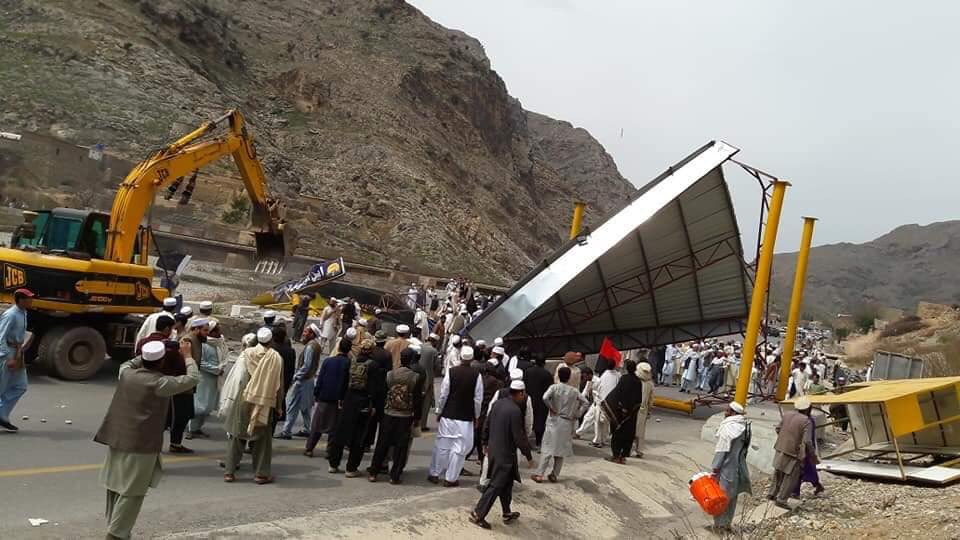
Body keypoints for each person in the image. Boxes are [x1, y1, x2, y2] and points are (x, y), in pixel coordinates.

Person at [95, 340, 200, 540]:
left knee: (115, 486)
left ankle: (116, 527)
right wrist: (187, 355)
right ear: (161, 363)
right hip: (141, 444)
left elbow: (130, 363)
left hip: (117, 438)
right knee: (133, 492)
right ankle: (116, 534)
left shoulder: (126, 374)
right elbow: (193, 378)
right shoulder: (159, 383)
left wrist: (152, 350)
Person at [221, 328, 284, 484]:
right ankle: (261, 474)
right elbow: (278, 385)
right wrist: (278, 406)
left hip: (244, 398)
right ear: (271, 341)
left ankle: (229, 472)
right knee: (262, 440)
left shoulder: (247, 354)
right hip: (264, 402)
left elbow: (239, 377)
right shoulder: (275, 358)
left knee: (237, 435)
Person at [468, 380, 534, 530]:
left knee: (507, 484)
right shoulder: (515, 411)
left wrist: (484, 442)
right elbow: (519, 437)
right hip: (505, 455)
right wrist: (528, 456)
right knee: (496, 485)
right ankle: (478, 514)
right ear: (521, 393)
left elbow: (487, 422)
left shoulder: (498, 404)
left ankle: (507, 512)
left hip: (494, 450)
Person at [368, 347, 424, 484]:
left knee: (382, 444)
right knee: (401, 447)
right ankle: (395, 475)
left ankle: (374, 472)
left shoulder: (390, 375)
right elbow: (417, 399)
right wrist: (417, 418)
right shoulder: (415, 377)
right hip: (405, 416)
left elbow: (384, 394)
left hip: (389, 413)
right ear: (411, 360)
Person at [429, 346, 482, 487]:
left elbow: (444, 394)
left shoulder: (451, 372)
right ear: (471, 359)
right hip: (465, 418)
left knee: (442, 445)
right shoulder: (477, 375)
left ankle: (434, 473)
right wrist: (477, 417)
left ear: (460, 358)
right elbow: (478, 399)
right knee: (459, 449)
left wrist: (439, 411)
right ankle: (450, 478)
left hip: (448, 415)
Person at [327, 339, 377, 476]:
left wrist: (341, 399)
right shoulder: (373, 365)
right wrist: (373, 405)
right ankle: (351, 468)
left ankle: (333, 464)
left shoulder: (351, 361)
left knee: (340, 433)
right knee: (358, 437)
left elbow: (343, 382)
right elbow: (373, 388)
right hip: (363, 402)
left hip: (348, 400)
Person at [532, 366, 589, 483]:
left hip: (554, 420)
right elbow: (586, 402)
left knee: (547, 448)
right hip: (567, 422)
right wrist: (577, 413)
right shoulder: (574, 391)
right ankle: (554, 474)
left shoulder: (554, 387)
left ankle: (539, 474)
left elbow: (545, 397)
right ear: (569, 377)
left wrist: (551, 408)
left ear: (558, 375)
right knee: (560, 450)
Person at [304, 338, 352, 457]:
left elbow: (320, 379)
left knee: (317, 424)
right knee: (334, 427)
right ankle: (330, 451)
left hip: (324, 397)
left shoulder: (328, 361)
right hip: (339, 400)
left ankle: (309, 448)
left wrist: (316, 393)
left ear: (339, 347)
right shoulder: (349, 363)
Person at [711, 401, 752, 533]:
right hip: (738, 466)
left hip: (726, 468)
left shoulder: (729, 427)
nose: (725, 412)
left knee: (721, 497)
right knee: (732, 496)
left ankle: (719, 525)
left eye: (727, 410)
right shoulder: (744, 426)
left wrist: (716, 467)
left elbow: (722, 450)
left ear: (733, 413)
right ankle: (727, 522)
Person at [768, 396, 816, 509]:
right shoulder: (806, 421)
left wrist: (784, 438)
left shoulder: (787, 414)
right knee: (790, 477)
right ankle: (782, 499)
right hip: (794, 452)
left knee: (778, 472)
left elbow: (778, 429)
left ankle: (772, 494)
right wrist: (812, 455)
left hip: (780, 447)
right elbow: (807, 441)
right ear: (808, 408)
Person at [278, 324, 322, 439]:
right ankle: (307, 429)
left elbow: (306, 366)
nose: (304, 333)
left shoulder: (310, 347)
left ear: (312, 334)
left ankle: (286, 431)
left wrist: (296, 377)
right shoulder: (315, 345)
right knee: (306, 407)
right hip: (309, 380)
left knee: (293, 406)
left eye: (306, 332)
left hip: (303, 380)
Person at [0, 288, 33, 432]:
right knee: (1, 387)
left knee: (21, 386)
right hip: (8, 353)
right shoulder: (11, 314)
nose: (31, 301)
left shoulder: (24, 312)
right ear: (20, 300)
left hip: (18, 353)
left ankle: (2, 414)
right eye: (28, 298)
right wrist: (8, 358)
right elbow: (0, 337)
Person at [187, 320, 223, 439]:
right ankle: (190, 429)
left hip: (212, 380)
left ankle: (197, 428)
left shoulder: (218, 344)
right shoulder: (203, 345)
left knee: (207, 406)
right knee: (198, 406)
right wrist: (216, 369)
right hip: (203, 378)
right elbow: (200, 362)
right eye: (206, 331)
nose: (219, 332)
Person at [602, 360, 644, 464]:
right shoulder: (638, 381)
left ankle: (616, 456)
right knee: (628, 435)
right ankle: (623, 456)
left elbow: (619, 394)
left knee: (617, 434)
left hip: (620, 413)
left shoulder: (624, 379)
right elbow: (639, 399)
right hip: (631, 414)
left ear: (625, 368)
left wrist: (623, 407)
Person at [587, 363, 620, 448]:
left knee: (598, 422)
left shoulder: (604, 375)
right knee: (605, 422)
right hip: (610, 402)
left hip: (601, 401)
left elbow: (598, 388)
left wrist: (594, 394)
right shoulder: (617, 375)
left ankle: (597, 440)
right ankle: (603, 440)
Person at [523, 354, 553, 448]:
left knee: (527, 419)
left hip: (529, 399)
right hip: (541, 401)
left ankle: (526, 441)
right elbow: (550, 389)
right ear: (544, 363)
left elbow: (524, 384)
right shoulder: (547, 374)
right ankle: (539, 442)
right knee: (540, 421)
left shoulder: (528, 372)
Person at [418, 333, 441, 431]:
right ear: (434, 341)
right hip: (428, 379)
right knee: (426, 403)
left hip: (416, 376)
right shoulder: (434, 351)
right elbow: (437, 367)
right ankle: (422, 424)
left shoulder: (419, 347)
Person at [633, 362, 655, 458]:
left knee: (632, 429)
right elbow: (651, 399)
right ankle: (639, 450)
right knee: (640, 431)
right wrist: (649, 410)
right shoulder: (650, 383)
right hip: (643, 409)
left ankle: (628, 449)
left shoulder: (635, 381)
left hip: (634, 408)